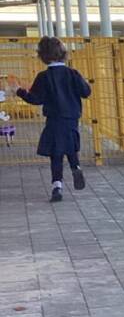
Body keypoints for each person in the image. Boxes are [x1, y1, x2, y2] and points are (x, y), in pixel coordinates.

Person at [14, 37, 90, 202]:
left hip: (54, 119)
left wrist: (20, 91)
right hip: (71, 118)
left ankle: (57, 186)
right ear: (63, 54)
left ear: (42, 56)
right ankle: (75, 167)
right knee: (70, 145)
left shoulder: (43, 77)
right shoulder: (73, 73)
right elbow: (86, 92)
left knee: (56, 152)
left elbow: (36, 99)